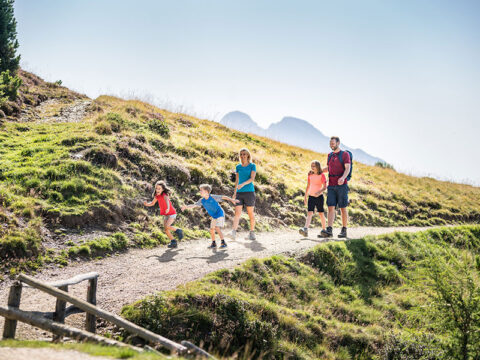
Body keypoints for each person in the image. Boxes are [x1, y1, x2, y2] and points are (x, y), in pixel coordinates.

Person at [182, 184, 238, 248]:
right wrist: (186, 207)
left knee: (217, 227)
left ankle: (223, 242)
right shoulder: (202, 200)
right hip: (214, 216)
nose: (200, 192)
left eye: (201, 190)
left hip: (220, 214)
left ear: (206, 192)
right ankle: (213, 243)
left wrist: (232, 200)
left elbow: (224, 197)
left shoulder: (213, 197)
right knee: (212, 229)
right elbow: (194, 205)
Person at [320, 137, 350, 238]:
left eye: (333, 143)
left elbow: (347, 168)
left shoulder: (345, 154)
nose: (331, 145)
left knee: (342, 207)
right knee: (330, 207)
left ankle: (344, 230)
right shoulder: (330, 155)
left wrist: (343, 177)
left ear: (338, 143)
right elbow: (328, 168)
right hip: (331, 185)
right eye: (330, 143)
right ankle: (329, 230)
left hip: (342, 185)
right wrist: (317, 171)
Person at [227, 148, 257, 240]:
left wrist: (243, 184)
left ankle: (252, 233)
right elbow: (237, 181)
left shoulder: (252, 165)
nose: (242, 156)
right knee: (237, 213)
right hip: (239, 193)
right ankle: (233, 233)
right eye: (241, 154)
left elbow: (252, 179)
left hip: (249, 192)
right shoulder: (238, 167)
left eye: (244, 154)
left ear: (248, 155)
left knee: (250, 213)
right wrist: (235, 192)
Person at [144, 180, 184, 248]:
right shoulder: (157, 196)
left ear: (163, 189)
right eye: (156, 188)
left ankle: (178, 230)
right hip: (166, 214)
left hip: (171, 213)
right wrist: (146, 204)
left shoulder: (164, 195)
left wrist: (168, 208)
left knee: (168, 226)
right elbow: (153, 203)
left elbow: (167, 201)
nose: (157, 190)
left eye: (159, 188)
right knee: (166, 229)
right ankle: (173, 241)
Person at [299, 160, 327, 237]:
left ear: (318, 166)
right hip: (311, 197)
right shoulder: (310, 175)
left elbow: (325, 187)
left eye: (314, 166)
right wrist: (305, 197)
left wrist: (319, 192)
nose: (312, 167)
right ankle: (305, 229)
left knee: (321, 214)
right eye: (311, 166)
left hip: (319, 197)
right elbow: (308, 186)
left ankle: (324, 230)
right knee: (309, 213)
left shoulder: (322, 175)